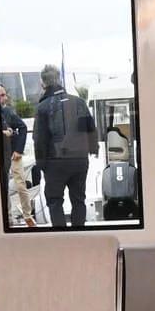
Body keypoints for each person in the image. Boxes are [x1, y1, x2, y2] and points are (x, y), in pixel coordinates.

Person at [33, 63, 97, 228]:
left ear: (43, 84)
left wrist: (41, 164)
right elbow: (90, 128)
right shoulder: (79, 102)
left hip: (55, 162)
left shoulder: (42, 107)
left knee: (54, 201)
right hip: (79, 159)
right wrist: (92, 149)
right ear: (59, 80)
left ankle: (61, 237)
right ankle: (79, 233)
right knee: (78, 199)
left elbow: (39, 139)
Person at [0, 85, 33, 228]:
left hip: (13, 153)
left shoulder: (8, 112)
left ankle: (27, 216)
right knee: (3, 186)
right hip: (0, 155)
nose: (5, 98)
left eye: (4, 95)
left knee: (20, 185)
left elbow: (23, 127)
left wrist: (18, 150)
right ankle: (8, 217)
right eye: (2, 95)